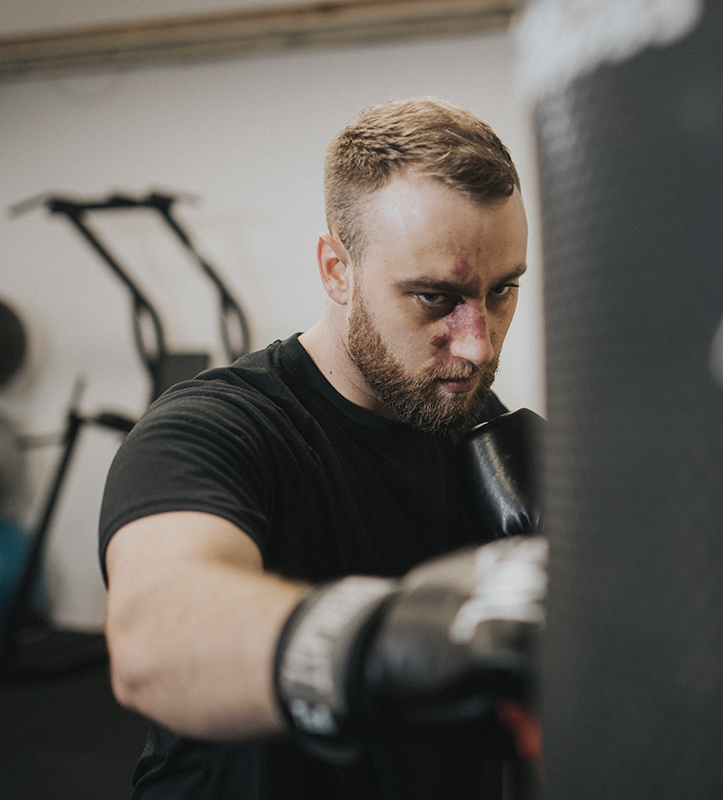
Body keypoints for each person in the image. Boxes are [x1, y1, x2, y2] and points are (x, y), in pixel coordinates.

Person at [99, 97, 541, 799]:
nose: (478, 342)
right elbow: (153, 640)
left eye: (502, 290)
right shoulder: (213, 428)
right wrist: (384, 646)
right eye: (434, 297)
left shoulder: (489, 436)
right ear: (337, 269)